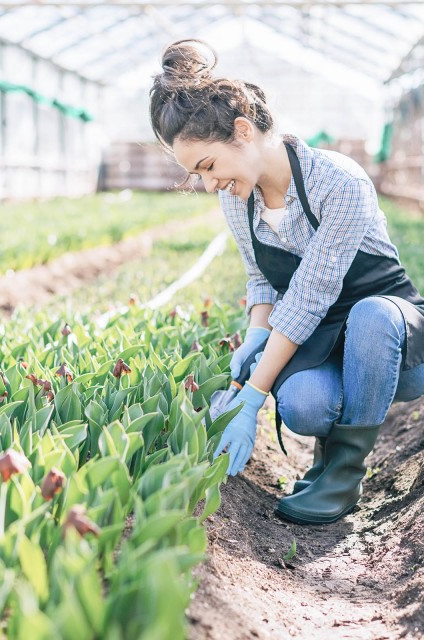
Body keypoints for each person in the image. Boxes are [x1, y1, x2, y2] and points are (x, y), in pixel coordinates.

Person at [149, 40, 424, 525]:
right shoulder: (238, 198)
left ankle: (344, 473)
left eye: (209, 167)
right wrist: (256, 333)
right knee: (303, 405)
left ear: (243, 129)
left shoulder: (338, 181)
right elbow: (262, 280)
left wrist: (253, 397)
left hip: (392, 340)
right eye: (197, 176)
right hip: (323, 338)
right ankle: (323, 459)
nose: (210, 185)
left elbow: (308, 297)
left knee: (371, 316)